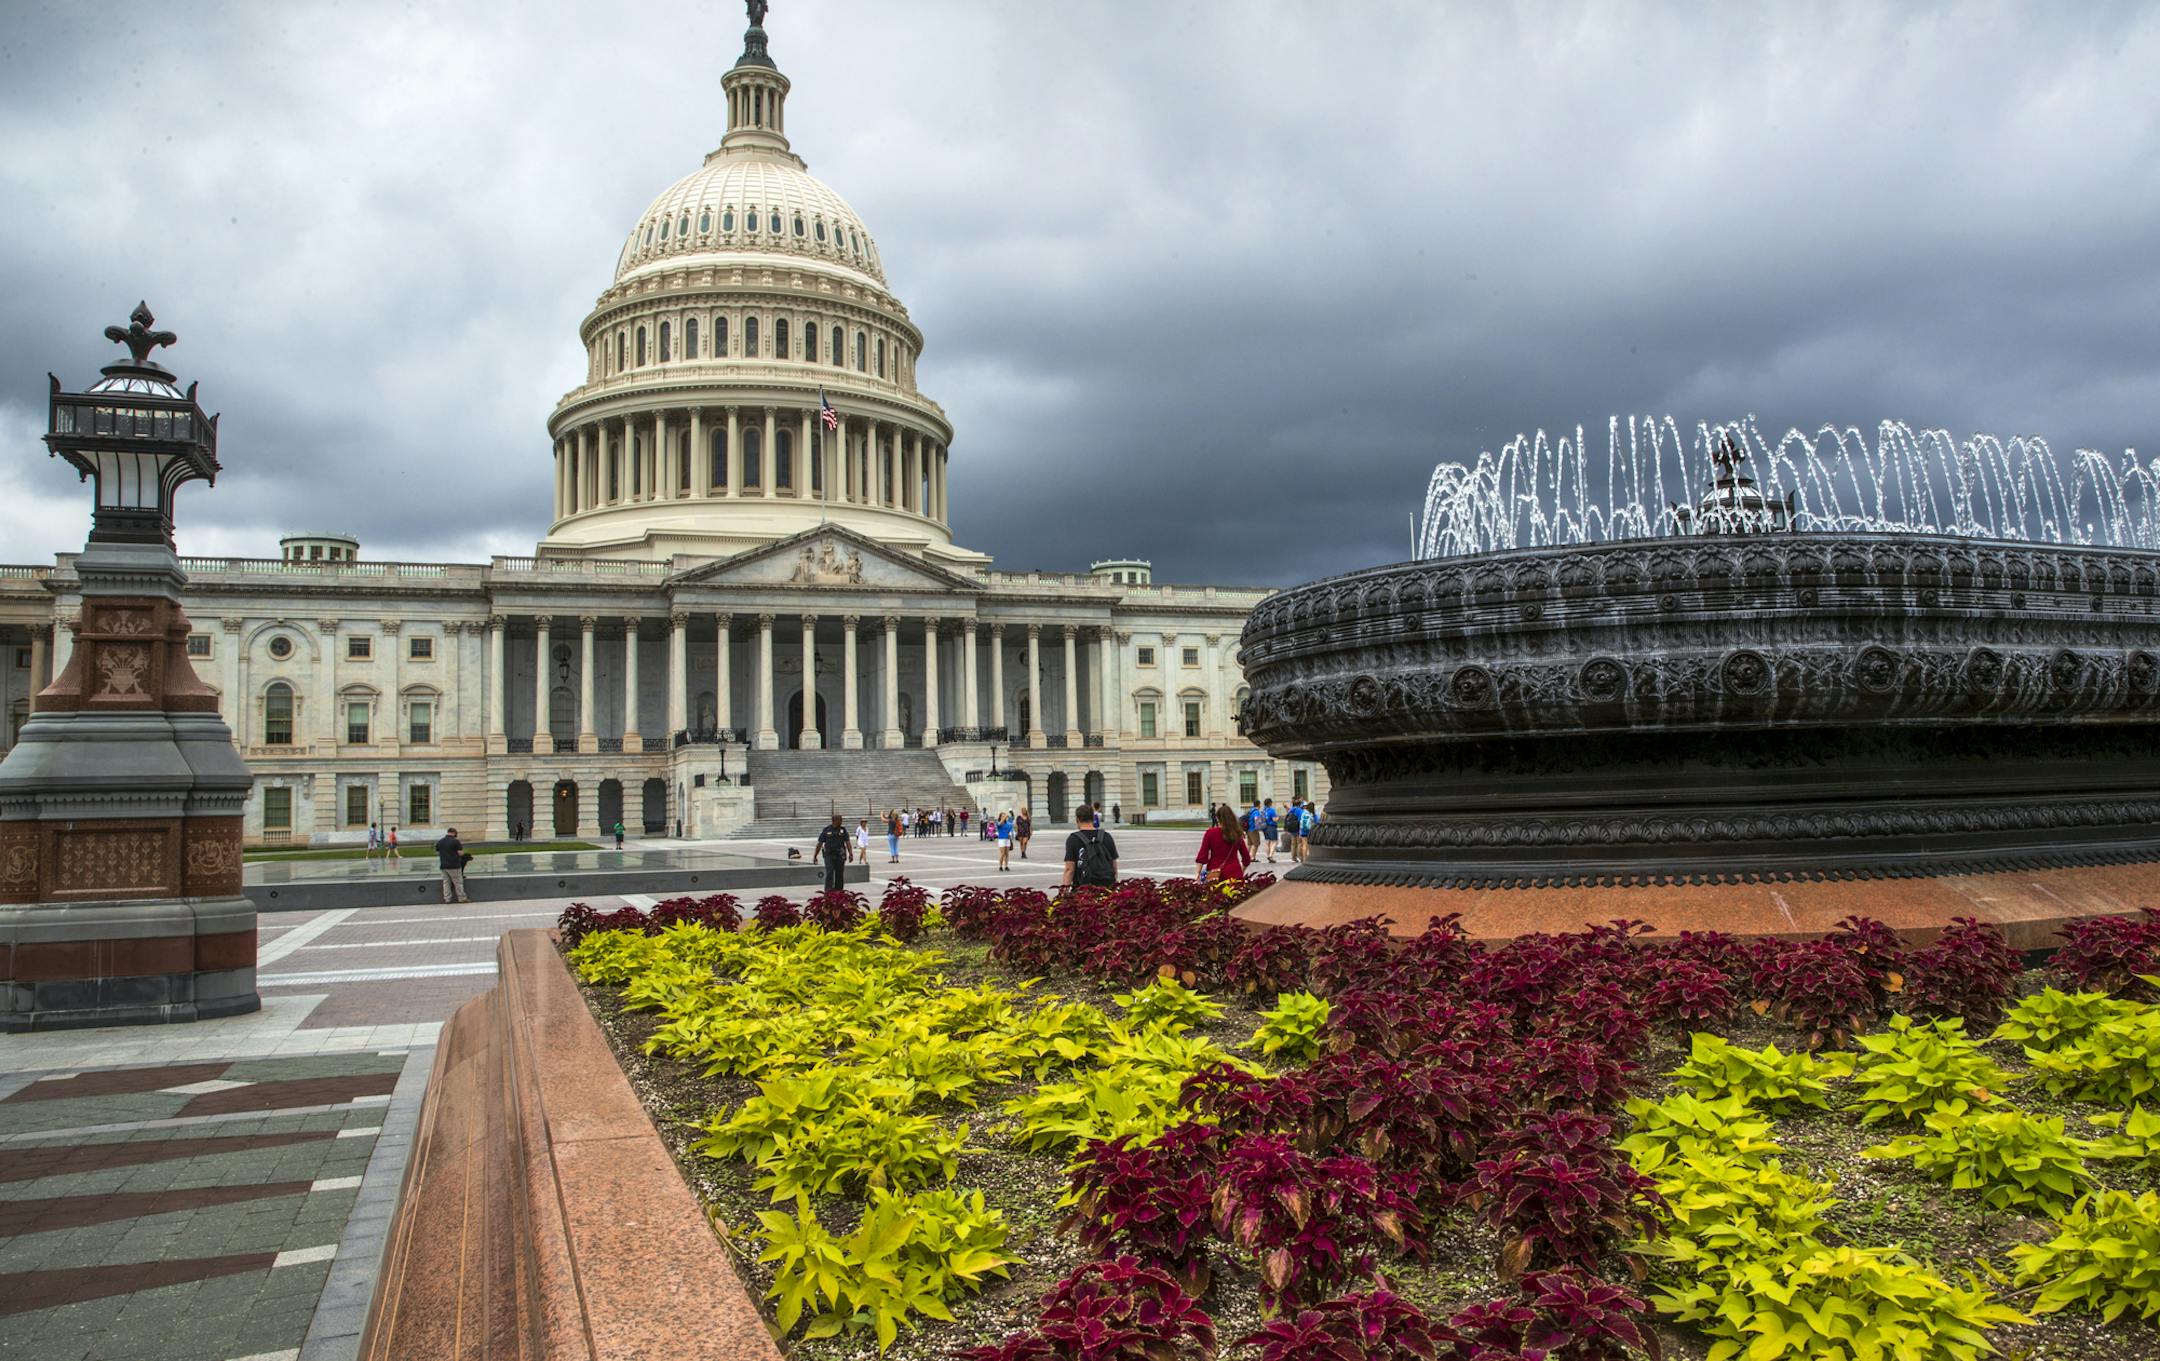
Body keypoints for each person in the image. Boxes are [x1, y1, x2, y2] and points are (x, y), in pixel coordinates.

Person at [1060, 803, 1120, 893]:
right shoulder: (1106, 836)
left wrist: (1063, 893)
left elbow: (1069, 869)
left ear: (1077, 819)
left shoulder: (1073, 839)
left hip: (1083, 891)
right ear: (1093, 818)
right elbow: (1114, 866)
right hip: (1106, 889)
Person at [1197, 803, 1252, 884]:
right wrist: (1241, 870)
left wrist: (1198, 873)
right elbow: (1246, 858)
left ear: (1218, 818)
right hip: (1235, 873)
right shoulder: (1237, 833)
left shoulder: (1210, 833)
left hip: (1215, 874)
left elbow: (1202, 857)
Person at [813, 814, 851, 892]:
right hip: (829, 855)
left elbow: (847, 842)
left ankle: (839, 891)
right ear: (835, 820)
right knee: (829, 873)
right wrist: (815, 855)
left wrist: (851, 853)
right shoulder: (826, 830)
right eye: (840, 820)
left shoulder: (843, 830)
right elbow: (820, 843)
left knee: (839, 874)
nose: (841, 821)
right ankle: (828, 892)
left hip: (840, 855)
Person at [435, 826, 471, 903]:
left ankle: (447, 899)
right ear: (454, 833)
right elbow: (460, 853)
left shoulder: (440, 841)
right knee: (458, 882)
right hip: (454, 865)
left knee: (446, 882)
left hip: (444, 865)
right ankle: (462, 898)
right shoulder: (456, 841)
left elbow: (437, 852)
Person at [1260, 798, 1280, 864]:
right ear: (1270, 803)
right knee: (1274, 841)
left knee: (1267, 842)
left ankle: (1268, 855)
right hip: (1271, 827)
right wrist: (1278, 818)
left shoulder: (1263, 810)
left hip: (1264, 827)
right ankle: (1271, 856)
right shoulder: (1272, 810)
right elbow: (1274, 819)